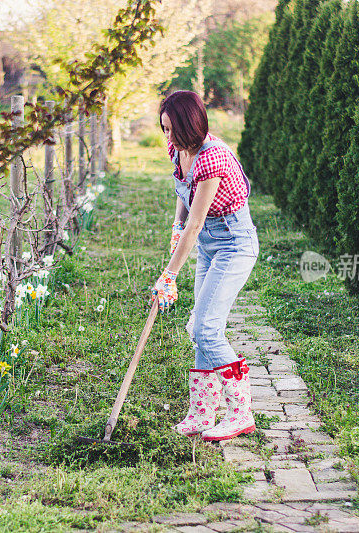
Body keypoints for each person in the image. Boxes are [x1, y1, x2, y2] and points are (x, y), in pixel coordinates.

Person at [151, 90, 259, 442]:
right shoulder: (179, 150)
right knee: (201, 327)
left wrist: (170, 274)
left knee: (206, 329)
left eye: (171, 129)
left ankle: (240, 412)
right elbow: (184, 197)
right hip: (211, 246)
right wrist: (174, 225)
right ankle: (202, 411)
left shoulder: (213, 159)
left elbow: (197, 223)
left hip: (234, 244)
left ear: (188, 125)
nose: (167, 137)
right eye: (163, 129)